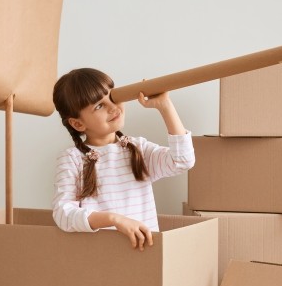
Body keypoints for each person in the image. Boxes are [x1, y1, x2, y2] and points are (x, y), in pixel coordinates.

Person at [52, 67, 195, 252]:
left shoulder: (138, 149)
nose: (113, 107)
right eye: (99, 106)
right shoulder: (72, 159)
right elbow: (64, 214)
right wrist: (115, 220)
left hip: (144, 254)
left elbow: (183, 161)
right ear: (78, 123)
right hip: (99, 259)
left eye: (112, 97)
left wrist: (165, 106)